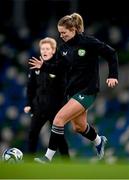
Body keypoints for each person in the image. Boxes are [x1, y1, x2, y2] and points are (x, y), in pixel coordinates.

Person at [29, 13, 119, 163]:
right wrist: (44, 66)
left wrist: (113, 75)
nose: (61, 35)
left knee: (58, 119)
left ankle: (47, 158)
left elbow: (111, 53)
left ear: (73, 30)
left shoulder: (88, 42)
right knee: (79, 127)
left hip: (88, 90)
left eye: (64, 32)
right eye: (60, 32)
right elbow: (58, 69)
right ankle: (98, 141)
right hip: (73, 92)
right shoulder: (63, 48)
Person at [24, 37, 69, 159]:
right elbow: (30, 87)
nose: (44, 51)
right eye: (42, 48)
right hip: (39, 107)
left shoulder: (59, 66)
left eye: (47, 48)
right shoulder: (34, 66)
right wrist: (28, 104)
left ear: (53, 50)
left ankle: (67, 162)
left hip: (56, 109)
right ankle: (30, 161)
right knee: (32, 133)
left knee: (59, 137)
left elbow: (64, 88)